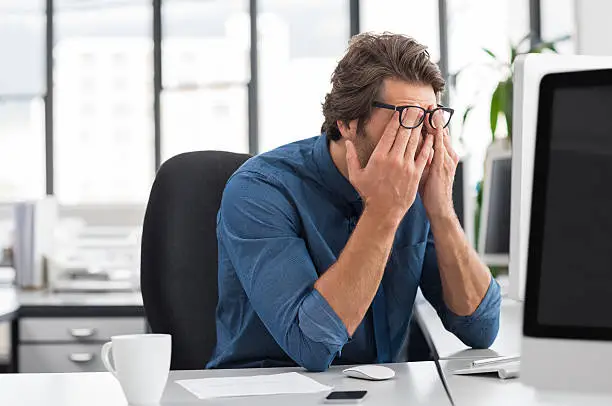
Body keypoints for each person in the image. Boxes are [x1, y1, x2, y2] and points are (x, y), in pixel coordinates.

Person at [207, 33, 501, 372]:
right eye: (407, 117)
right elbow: (312, 347)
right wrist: (383, 211)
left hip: (379, 391)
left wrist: (441, 210)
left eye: (431, 118)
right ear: (348, 122)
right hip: (265, 391)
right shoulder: (259, 190)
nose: (422, 138)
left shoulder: (418, 187)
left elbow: (481, 327)